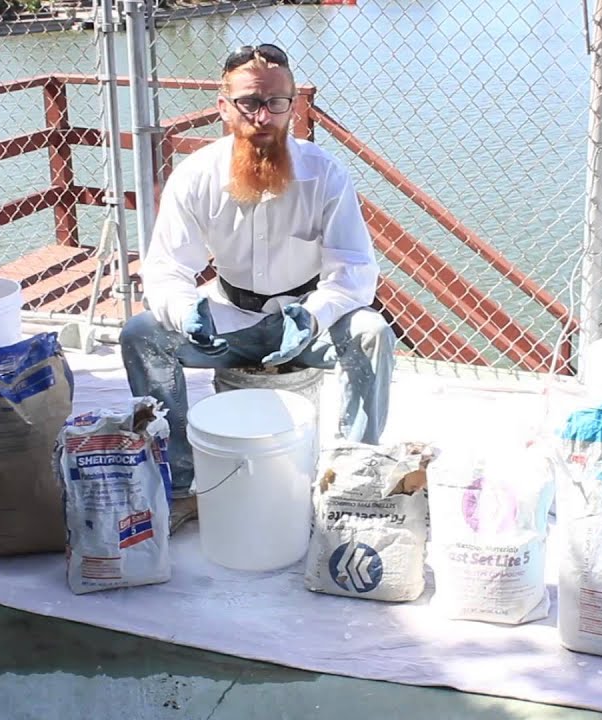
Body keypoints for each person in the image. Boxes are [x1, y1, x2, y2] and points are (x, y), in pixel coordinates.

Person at [119, 42, 396, 533]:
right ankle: (183, 482)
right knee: (142, 335)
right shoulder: (196, 175)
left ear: (293, 106)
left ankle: (351, 477)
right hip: (228, 318)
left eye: (275, 102)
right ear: (224, 106)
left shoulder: (325, 173)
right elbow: (165, 267)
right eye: (248, 102)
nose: (262, 116)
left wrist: (313, 315)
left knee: (372, 334)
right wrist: (186, 311)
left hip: (307, 320)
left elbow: (353, 269)